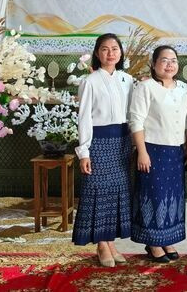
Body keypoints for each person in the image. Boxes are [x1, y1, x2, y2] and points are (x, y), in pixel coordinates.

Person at [72, 33, 133, 267]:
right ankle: (100, 244)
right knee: (98, 191)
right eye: (105, 49)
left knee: (116, 193)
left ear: (121, 52)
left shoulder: (128, 80)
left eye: (115, 48)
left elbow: (133, 115)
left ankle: (110, 242)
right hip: (98, 143)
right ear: (97, 53)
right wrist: (84, 152)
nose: (110, 53)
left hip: (122, 143)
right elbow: (84, 118)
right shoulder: (90, 81)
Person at [129, 46, 187, 263]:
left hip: (176, 151)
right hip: (152, 150)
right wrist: (142, 152)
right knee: (153, 195)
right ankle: (153, 242)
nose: (169, 64)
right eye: (164, 60)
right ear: (154, 64)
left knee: (171, 196)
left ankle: (167, 239)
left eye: (173, 60)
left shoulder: (184, 88)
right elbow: (136, 120)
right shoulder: (145, 87)